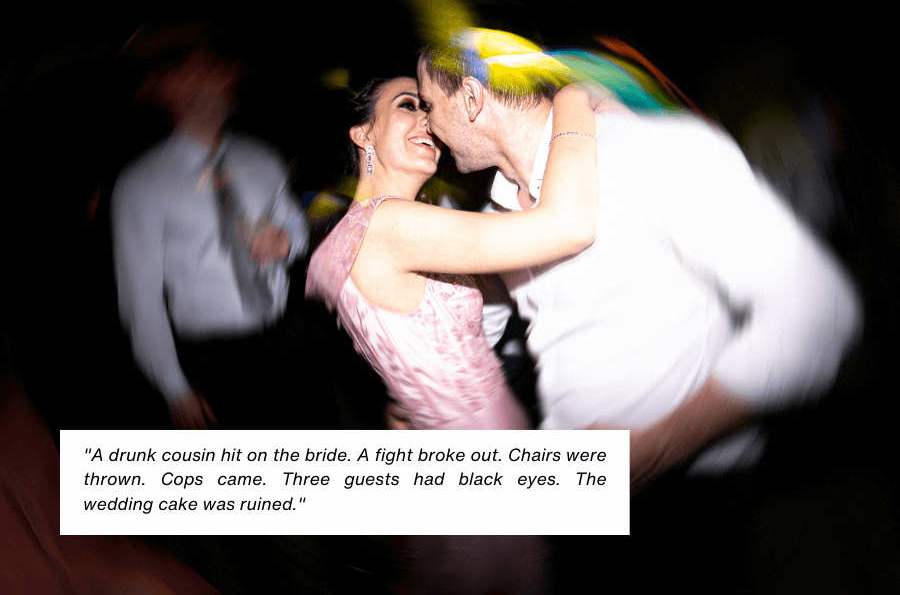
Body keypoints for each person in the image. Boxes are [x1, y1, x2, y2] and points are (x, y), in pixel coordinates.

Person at [415, 28, 862, 488]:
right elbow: (475, 332)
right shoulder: (495, 214)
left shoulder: (647, 153)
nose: (426, 124)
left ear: (471, 98)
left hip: (693, 491)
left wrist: (661, 444)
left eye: (428, 105)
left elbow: (819, 308)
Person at [306, 76, 598, 430]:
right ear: (363, 134)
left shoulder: (344, 238)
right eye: (407, 105)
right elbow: (568, 227)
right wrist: (570, 99)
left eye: (427, 106)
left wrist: (414, 403)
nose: (426, 119)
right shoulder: (388, 223)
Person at [112, 38, 310, 430]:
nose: (223, 75)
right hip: (216, 359)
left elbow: (296, 226)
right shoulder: (140, 184)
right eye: (203, 71)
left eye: (218, 67)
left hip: (289, 336)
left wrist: (285, 242)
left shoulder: (262, 157)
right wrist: (174, 387)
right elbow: (140, 297)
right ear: (170, 89)